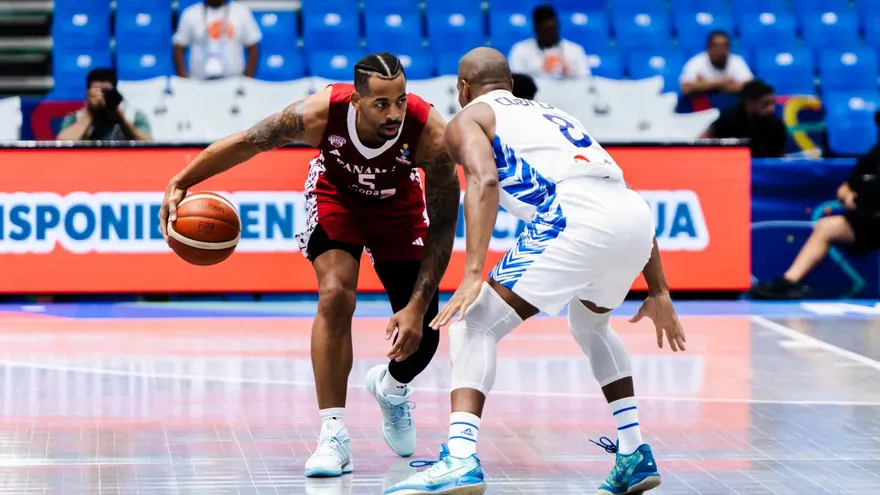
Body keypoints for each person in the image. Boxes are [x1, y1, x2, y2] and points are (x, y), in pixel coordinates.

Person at [384, 47, 686, 495]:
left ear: (462, 88)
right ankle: (634, 452)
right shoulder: (555, 115)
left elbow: (483, 182)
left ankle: (461, 459)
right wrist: (658, 290)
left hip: (573, 216)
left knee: (474, 323)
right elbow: (619, 194)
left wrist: (472, 274)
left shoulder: (468, 118)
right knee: (591, 325)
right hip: (633, 216)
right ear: (509, 82)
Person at [158, 52, 460, 477]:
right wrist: (180, 181)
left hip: (400, 210)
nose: (393, 113)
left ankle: (391, 389)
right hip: (337, 199)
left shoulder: (431, 133)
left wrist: (416, 304)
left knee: (424, 333)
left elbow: (445, 223)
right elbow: (249, 141)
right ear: (356, 101)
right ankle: (333, 433)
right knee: (336, 294)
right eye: (380, 104)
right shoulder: (319, 114)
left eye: (399, 100)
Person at [751, 111, 880, 299]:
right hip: (867, 220)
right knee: (828, 226)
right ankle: (789, 282)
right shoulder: (875, 154)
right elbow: (846, 186)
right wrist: (849, 196)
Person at [173, 0, 262, 79]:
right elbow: (178, 49)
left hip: (233, 82)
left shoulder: (241, 12)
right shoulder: (190, 13)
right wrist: (184, 81)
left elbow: (253, 48)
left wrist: (246, 80)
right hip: (199, 83)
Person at [56, 68, 151, 141]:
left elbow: (148, 144)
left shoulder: (134, 116)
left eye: (106, 92)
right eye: (97, 92)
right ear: (87, 94)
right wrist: (90, 113)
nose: (101, 97)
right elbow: (62, 143)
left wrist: (118, 114)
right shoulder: (75, 118)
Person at [701, 79, 787, 158]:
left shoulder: (776, 125)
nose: (771, 109)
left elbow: (779, 156)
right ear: (749, 102)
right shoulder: (727, 120)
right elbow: (706, 141)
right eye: (765, 104)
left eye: (773, 103)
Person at [508, 4, 590, 80]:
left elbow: (585, 81)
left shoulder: (575, 50)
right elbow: (517, 82)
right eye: (546, 29)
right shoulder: (520, 50)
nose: (550, 33)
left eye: (553, 28)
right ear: (536, 28)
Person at [680, 30, 753, 97]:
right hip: (704, 108)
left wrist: (703, 85)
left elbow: (749, 88)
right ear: (708, 48)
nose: (720, 51)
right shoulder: (696, 62)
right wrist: (722, 83)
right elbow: (685, 88)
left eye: (724, 46)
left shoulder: (737, 61)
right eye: (716, 47)